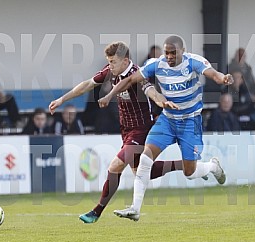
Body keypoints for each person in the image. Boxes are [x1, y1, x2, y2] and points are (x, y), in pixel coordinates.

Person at [98, 35, 233, 221]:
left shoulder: (193, 62)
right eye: (166, 52)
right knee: (145, 159)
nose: (168, 56)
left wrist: (222, 78)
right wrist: (109, 95)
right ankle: (135, 209)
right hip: (167, 120)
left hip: (189, 123)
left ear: (182, 52)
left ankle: (212, 166)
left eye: (173, 53)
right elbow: (130, 80)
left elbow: (213, 74)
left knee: (190, 172)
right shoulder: (156, 64)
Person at [49, 41, 184, 224]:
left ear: (125, 60)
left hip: (142, 130)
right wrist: (61, 99)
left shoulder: (138, 75)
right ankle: (185, 164)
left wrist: (162, 102)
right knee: (143, 173)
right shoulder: (110, 72)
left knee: (114, 167)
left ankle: (96, 212)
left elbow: (152, 92)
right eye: (109, 61)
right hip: (126, 131)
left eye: (113, 62)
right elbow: (87, 85)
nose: (110, 65)